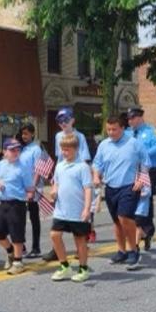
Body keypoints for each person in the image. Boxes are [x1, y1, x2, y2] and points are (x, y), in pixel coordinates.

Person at [93, 115, 150, 269]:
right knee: (117, 222)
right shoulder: (104, 145)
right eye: (109, 129)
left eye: (114, 129)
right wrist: (96, 175)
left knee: (125, 217)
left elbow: (145, 163)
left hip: (130, 186)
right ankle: (121, 251)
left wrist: (141, 179)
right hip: (111, 186)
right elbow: (97, 163)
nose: (111, 132)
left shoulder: (134, 143)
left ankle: (133, 250)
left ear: (123, 128)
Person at [46, 107, 93, 262]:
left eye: (66, 120)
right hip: (63, 173)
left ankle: (82, 248)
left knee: (77, 219)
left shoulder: (80, 137)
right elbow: (59, 159)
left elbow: (85, 158)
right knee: (59, 219)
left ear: (72, 120)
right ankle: (57, 251)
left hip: (77, 175)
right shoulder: (58, 135)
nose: (63, 123)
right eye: (60, 121)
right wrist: (55, 183)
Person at [0, 138, 35, 275]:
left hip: (17, 204)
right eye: (12, 150)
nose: (15, 152)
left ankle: (18, 262)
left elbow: (30, 188)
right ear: (5, 151)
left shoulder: (23, 167)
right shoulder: (0, 165)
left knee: (16, 234)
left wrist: (30, 195)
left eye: (18, 149)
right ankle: (11, 252)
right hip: (3, 203)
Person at [48, 134, 94, 282]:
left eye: (67, 150)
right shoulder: (60, 166)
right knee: (54, 235)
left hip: (77, 210)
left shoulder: (83, 167)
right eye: (62, 149)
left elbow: (88, 189)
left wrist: (87, 209)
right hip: (61, 210)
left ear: (75, 149)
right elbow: (56, 182)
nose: (64, 152)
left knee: (79, 240)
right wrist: (54, 191)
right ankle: (64, 265)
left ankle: (83, 269)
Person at [126, 106, 156, 244]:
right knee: (132, 199)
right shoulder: (127, 133)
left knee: (145, 198)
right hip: (132, 170)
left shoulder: (151, 131)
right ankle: (137, 228)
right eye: (128, 119)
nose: (130, 121)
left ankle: (147, 229)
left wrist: (142, 153)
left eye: (132, 118)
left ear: (140, 117)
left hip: (148, 169)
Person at [17, 124, 46, 258]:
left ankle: (36, 247)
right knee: (19, 218)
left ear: (33, 134)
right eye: (23, 134)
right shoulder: (22, 149)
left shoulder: (36, 149)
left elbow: (38, 169)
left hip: (32, 188)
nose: (24, 136)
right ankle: (21, 245)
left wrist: (32, 188)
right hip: (21, 188)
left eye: (26, 134)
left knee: (34, 218)